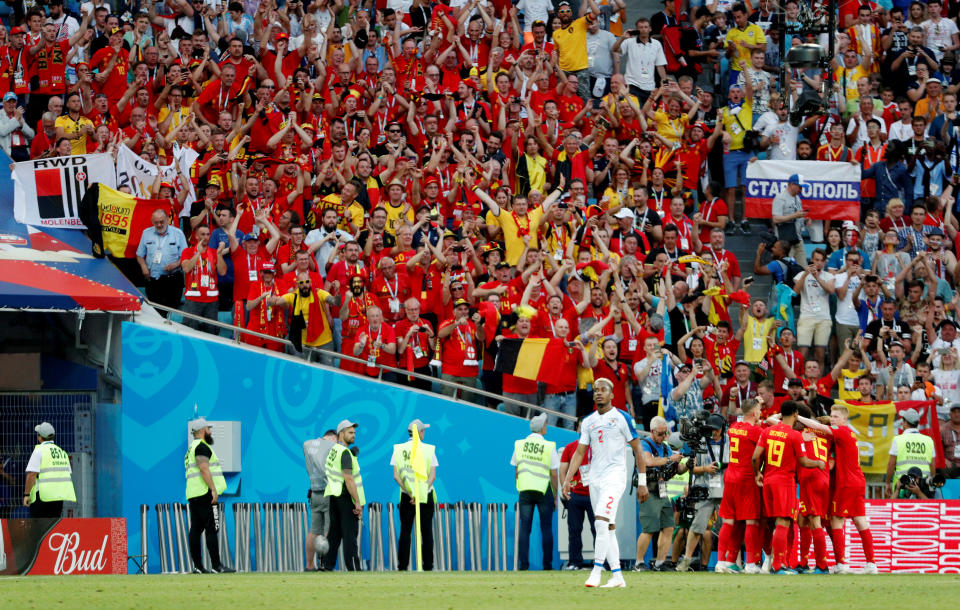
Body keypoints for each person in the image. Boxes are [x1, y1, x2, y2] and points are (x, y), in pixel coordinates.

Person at [562, 377, 650, 588]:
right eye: (596, 390)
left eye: (603, 390)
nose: (598, 393)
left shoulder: (622, 418)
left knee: (600, 521)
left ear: (612, 395)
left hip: (615, 478)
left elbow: (638, 450)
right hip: (595, 480)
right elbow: (580, 452)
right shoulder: (589, 421)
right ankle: (618, 576)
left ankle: (597, 570)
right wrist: (567, 480)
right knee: (607, 528)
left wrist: (642, 481)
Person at [798, 404, 879, 574]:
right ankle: (871, 563)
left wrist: (797, 417)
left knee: (836, 520)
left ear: (844, 419)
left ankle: (841, 563)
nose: (832, 419)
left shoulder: (841, 431)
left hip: (846, 483)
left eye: (835, 417)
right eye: (831, 416)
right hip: (858, 480)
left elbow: (820, 427)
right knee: (860, 521)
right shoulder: (849, 434)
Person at [751, 401, 825, 574]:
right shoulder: (794, 435)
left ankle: (777, 563)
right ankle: (778, 566)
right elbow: (804, 462)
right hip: (785, 482)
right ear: (795, 414)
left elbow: (755, 457)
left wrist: (757, 474)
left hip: (768, 481)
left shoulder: (767, 432)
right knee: (783, 522)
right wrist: (818, 463)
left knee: (775, 522)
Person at [676, 414, 729, 573]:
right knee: (697, 526)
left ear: (723, 428)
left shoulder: (730, 441)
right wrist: (705, 469)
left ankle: (729, 561)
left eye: (717, 429)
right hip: (704, 488)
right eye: (711, 429)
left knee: (728, 526)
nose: (714, 433)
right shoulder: (699, 441)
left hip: (724, 488)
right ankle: (686, 560)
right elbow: (691, 468)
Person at [636, 415, 689, 572]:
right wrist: (669, 459)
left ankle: (660, 563)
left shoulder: (665, 447)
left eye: (665, 433)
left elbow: (677, 469)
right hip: (649, 489)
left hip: (662, 490)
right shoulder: (644, 444)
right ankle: (638, 563)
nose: (663, 437)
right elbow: (648, 462)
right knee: (649, 528)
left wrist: (687, 465)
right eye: (660, 434)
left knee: (668, 527)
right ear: (652, 431)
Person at [716, 398, 763, 574]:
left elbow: (740, 417)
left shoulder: (734, 428)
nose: (760, 413)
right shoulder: (756, 431)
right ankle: (750, 564)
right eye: (759, 410)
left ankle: (722, 562)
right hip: (746, 478)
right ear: (753, 413)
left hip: (730, 477)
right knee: (751, 520)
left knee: (729, 520)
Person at [512, 413, 559, 571]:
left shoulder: (519, 444)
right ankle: (547, 565)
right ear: (542, 428)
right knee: (546, 528)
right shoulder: (549, 446)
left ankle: (523, 566)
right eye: (546, 423)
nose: (547, 426)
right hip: (543, 489)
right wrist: (555, 494)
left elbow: (517, 470)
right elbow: (554, 474)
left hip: (525, 489)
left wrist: (520, 485)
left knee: (525, 528)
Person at [184, 417, 232, 574]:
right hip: (204, 493)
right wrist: (213, 489)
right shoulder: (202, 447)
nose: (211, 431)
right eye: (209, 429)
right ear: (203, 430)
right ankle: (216, 566)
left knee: (196, 529)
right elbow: (204, 469)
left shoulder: (192, 447)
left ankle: (198, 567)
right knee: (211, 528)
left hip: (193, 493)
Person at [391, 419, 439, 571]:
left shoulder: (398, 449)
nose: (425, 433)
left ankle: (402, 567)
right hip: (426, 495)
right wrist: (420, 493)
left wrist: (411, 493)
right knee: (427, 532)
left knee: (405, 531)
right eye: (423, 430)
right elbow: (432, 477)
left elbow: (396, 476)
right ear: (419, 432)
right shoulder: (428, 449)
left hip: (407, 496)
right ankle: (428, 566)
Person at [322, 420, 364, 572]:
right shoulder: (345, 453)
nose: (353, 435)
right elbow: (349, 479)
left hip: (333, 496)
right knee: (350, 535)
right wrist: (357, 502)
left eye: (354, 432)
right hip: (346, 497)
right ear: (341, 433)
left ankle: (327, 565)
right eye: (350, 432)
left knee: (334, 535)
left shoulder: (334, 451)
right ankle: (353, 568)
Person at [136, 209, 188, 314]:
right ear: (152, 221)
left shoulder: (178, 233)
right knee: (155, 313)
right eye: (156, 222)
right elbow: (139, 255)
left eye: (162, 222)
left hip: (173, 280)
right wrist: (143, 267)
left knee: (170, 314)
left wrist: (176, 264)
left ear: (167, 219)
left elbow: (186, 256)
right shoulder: (146, 233)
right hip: (153, 281)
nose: (159, 225)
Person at [180, 225, 228, 334]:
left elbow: (223, 272)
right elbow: (186, 268)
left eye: (207, 234)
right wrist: (198, 253)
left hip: (211, 300)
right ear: (196, 236)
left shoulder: (214, 252)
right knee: (189, 332)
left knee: (211, 333)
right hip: (193, 299)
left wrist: (219, 254)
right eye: (202, 234)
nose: (205, 237)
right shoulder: (187, 251)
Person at [559, 428, 595, 570]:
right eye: (581, 427)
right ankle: (574, 562)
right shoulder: (570, 447)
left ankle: (601, 563)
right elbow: (562, 470)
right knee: (574, 530)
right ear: (577, 429)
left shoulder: (597, 448)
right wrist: (564, 489)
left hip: (594, 495)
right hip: (575, 495)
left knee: (598, 530)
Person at [23, 422, 75, 518]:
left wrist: (26, 494)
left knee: (38, 527)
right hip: (58, 497)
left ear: (40, 437)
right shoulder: (61, 452)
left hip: (43, 496)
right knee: (53, 527)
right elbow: (67, 473)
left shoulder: (39, 451)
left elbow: (31, 475)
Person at [303, 429, 337, 571]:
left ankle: (310, 565)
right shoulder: (331, 446)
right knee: (328, 529)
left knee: (314, 530)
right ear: (333, 438)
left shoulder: (308, 444)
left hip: (314, 492)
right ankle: (324, 564)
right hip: (327, 491)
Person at [885, 408, 935, 497]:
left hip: (903, 484)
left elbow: (891, 464)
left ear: (904, 422)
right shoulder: (928, 440)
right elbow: (932, 466)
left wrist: (888, 483)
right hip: (923, 485)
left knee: (901, 510)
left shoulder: (898, 440)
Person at [771, 173, 810, 265]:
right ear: (792, 184)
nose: (801, 189)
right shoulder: (780, 198)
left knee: (803, 268)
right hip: (785, 241)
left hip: (798, 238)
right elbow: (775, 219)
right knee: (787, 267)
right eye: (799, 187)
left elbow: (797, 216)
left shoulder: (797, 198)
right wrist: (794, 216)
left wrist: (804, 219)